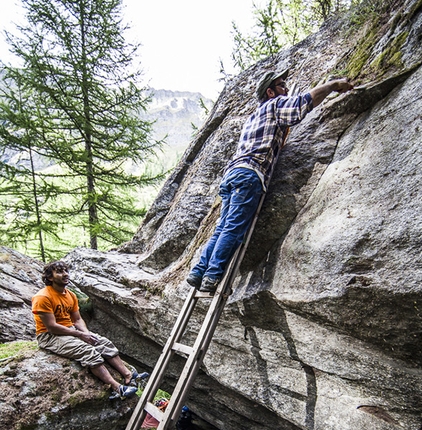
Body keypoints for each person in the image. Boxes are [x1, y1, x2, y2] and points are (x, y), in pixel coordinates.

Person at [187, 69, 354, 294]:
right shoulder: (275, 105)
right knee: (234, 229)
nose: (285, 89)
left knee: (222, 227)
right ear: (270, 91)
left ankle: (198, 271)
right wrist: (333, 85)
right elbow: (302, 104)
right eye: (281, 86)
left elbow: (277, 138)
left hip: (233, 174)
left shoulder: (253, 118)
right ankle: (212, 276)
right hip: (249, 175)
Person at [32, 260, 148, 400]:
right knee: (88, 351)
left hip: (70, 329)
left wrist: (86, 334)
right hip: (49, 335)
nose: (65, 274)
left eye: (66, 271)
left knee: (102, 342)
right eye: (60, 272)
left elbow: (77, 320)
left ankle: (129, 375)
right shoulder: (42, 297)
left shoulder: (70, 295)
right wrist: (79, 334)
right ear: (50, 277)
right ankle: (117, 387)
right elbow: (52, 327)